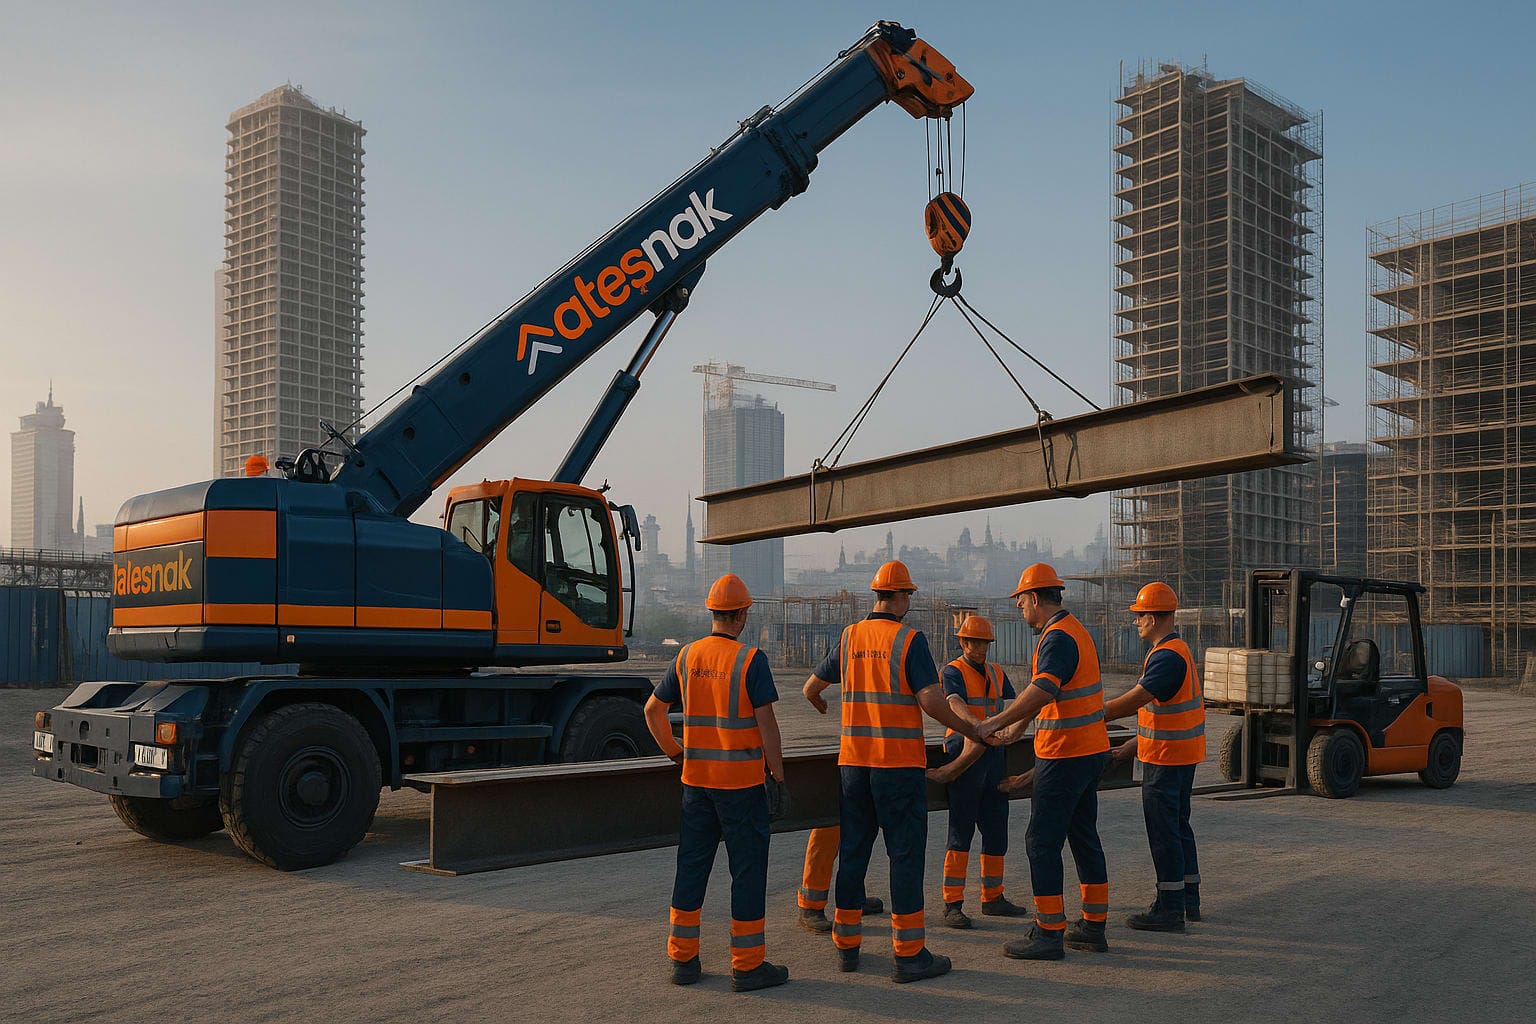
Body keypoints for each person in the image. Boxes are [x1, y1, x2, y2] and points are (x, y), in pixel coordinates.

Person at [802, 560, 986, 983]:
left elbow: (812, 687)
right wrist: (971, 728)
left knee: (853, 853)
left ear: (875, 596)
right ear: (902, 597)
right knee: (904, 857)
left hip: (853, 765)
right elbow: (931, 701)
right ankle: (908, 955)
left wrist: (823, 704)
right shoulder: (909, 640)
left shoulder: (849, 637)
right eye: (908, 595)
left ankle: (847, 946)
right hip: (897, 766)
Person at [643, 573, 789, 992]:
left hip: (696, 784)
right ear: (742, 614)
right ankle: (747, 966)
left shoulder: (687, 657)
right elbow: (768, 727)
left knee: (691, 867)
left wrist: (676, 753)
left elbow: (653, 712)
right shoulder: (750, 660)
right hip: (741, 787)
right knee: (746, 872)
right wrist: (778, 778)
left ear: (712, 613)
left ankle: (683, 960)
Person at [978, 563, 1112, 961]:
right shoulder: (1076, 631)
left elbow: (1044, 688)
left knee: (1041, 841)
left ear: (1035, 598)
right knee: (1084, 836)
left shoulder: (1055, 638)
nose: (1021, 611)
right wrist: (1019, 727)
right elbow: (1056, 695)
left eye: (1021, 603)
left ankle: (1049, 932)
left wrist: (998, 720)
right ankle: (1092, 925)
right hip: (1090, 751)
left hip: (1065, 754)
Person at [1101, 582, 1205, 931]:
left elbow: (1136, 699)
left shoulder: (1166, 657)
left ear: (1155, 616)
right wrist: (1128, 748)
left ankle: (1170, 908)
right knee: (1178, 827)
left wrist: (1092, 714)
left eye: (1139, 616)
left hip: (1166, 759)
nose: (1135, 623)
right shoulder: (1178, 651)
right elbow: (1161, 715)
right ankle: (1189, 899)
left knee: (1164, 833)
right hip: (1178, 754)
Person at [924, 614, 1031, 927]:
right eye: (974, 642)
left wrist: (1009, 730)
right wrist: (977, 728)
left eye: (984, 642)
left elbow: (1013, 704)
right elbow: (954, 703)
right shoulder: (952, 671)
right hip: (964, 747)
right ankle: (952, 903)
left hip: (995, 753)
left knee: (996, 828)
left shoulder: (997, 673)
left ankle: (993, 896)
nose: (980, 648)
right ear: (963, 642)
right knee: (962, 830)